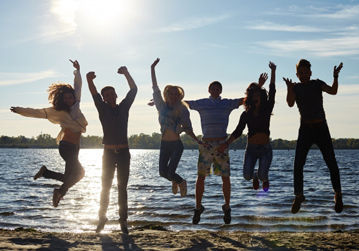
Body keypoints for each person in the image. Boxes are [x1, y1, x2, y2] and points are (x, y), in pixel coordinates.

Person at [186, 75, 266, 225]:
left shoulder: (226, 103)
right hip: (206, 145)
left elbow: (246, 100)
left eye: (218, 88)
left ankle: (227, 207)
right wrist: (162, 102)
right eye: (213, 88)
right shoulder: (202, 103)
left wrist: (259, 86)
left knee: (225, 177)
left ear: (221, 90)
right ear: (209, 90)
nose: (215, 90)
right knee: (201, 177)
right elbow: (183, 103)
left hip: (222, 144)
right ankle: (198, 207)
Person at [10, 60, 87, 208]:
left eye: (70, 97)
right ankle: (59, 192)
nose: (69, 100)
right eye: (65, 98)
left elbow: (78, 86)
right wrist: (20, 110)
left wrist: (77, 71)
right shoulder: (58, 112)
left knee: (68, 177)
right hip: (66, 147)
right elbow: (37, 113)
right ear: (62, 100)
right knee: (80, 174)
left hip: (75, 148)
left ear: (73, 97)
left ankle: (46, 173)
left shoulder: (76, 104)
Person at [283, 59, 344, 214]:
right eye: (300, 73)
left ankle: (337, 193)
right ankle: (299, 195)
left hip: (321, 127)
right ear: (297, 74)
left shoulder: (317, 83)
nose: (303, 75)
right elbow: (290, 103)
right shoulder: (295, 87)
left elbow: (333, 91)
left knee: (331, 162)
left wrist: (335, 77)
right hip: (305, 129)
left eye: (305, 72)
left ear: (310, 73)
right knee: (298, 164)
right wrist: (289, 88)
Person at [86, 66, 137, 234]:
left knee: (122, 187)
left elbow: (134, 89)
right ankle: (102, 218)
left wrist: (126, 73)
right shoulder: (102, 108)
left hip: (123, 153)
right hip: (108, 154)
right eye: (105, 95)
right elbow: (94, 94)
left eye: (111, 94)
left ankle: (123, 220)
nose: (109, 97)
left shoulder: (124, 107)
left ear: (116, 95)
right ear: (104, 98)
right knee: (105, 187)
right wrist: (89, 80)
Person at [218, 62, 276, 192]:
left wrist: (273, 72)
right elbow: (238, 131)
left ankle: (264, 178)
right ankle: (255, 175)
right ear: (250, 98)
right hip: (251, 149)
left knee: (263, 176)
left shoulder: (267, 109)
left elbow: (272, 91)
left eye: (258, 95)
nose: (256, 97)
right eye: (253, 95)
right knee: (247, 176)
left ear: (261, 96)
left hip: (265, 148)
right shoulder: (246, 114)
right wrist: (226, 143)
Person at [150, 58, 203, 197]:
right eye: (170, 93)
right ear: (166, 95)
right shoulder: (160, 106)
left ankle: (181, 182)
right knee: (162, 172)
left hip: (176, 145)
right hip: (164, 143)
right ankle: (175, 180)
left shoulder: (182, 109)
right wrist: (152, 69)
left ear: (179, 95)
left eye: (176, 94)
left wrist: (197, 140)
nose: (173, 96)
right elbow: (155, 88)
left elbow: (188, 127)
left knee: (171, 172)